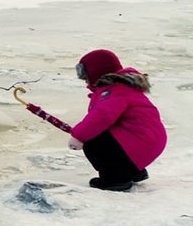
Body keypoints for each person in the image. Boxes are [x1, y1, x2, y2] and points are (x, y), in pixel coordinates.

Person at [66, 49, 166, 191]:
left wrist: (79, 136)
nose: (84, 79)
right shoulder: (122, 88)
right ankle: (134, 172)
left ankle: (115, 179)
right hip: (147, 142)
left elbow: (101, 117)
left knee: (94, 141)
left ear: (96, 72)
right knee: (109, 137)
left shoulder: (114, 91)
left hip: (140, 141)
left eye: (84, 74)